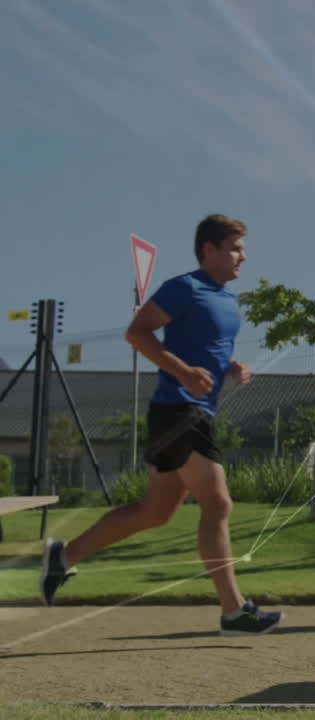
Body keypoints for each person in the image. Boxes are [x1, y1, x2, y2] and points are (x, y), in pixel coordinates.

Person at [40, 214, 283, 636]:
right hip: (178, 409)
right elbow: (137, 333)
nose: (244, 256)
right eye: (236, 247)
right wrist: (184, 371)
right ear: (209, 249)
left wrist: (230, 365)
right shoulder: (183, 287)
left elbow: (206, 348)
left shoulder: (228, 299)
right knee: (218, 504)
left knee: (156, 512)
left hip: (192, 410)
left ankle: (63, 557)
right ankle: (234, 611)